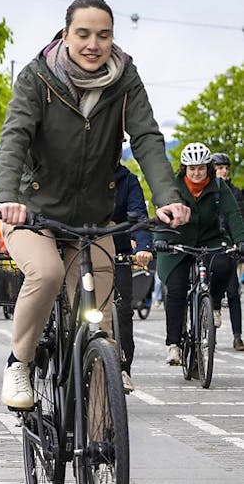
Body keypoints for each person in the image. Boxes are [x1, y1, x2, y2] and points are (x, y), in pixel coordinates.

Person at [0, 0, 190, 410]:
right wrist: (5, 195)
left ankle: (100, 437)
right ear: (66, 35)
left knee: (103, 327)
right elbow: (15, 137)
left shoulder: (125, 79)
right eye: (83, 34)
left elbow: (147, 137)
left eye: (103, 34)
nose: (93, 44)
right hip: (32, 212)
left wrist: (167, 197)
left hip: (94, 218)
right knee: (47, 272)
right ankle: (19, 362)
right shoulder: (37, 78)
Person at [157, 143, 244, 364]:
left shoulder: (217, 186)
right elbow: (162, 215)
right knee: (176, 291)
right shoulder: (174, 187)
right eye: (192, 168)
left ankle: (213, 303)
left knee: (225, 265)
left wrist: (240, 240)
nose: (196, 173)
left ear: (209, 168)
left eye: (201, 168)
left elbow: (232, 213)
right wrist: (160, 241)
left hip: (210, 238)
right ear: (184, 168)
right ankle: (174, 345)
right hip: (177, 242)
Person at [110, 163, 153, 391]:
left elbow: (138, 217)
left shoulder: (128, 180)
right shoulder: (79, 169)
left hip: (118, 251)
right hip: (80, 248)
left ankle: (124, 368)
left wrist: (143, 246)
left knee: (123, 309)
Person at [212, 152, 244, 350]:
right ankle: (208, 332)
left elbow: (239, 221)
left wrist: (240, 244)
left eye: (225, 167)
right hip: (210, 247)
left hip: (230, 248)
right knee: (209, 290)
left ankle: (237, 336)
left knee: (233, 293)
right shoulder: (208, 194)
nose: (223, 171)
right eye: (219, 167)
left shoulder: (236, 193)